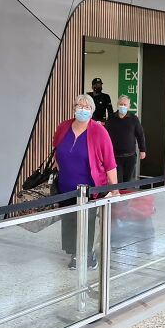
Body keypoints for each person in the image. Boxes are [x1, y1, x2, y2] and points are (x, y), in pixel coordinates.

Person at [52, 94, 118, 270]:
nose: (82, 109)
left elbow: (110, 162)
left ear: (92, 111)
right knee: (69, 221)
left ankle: (87, 254)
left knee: (86, 222)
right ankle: (74, 253)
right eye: (79, 106)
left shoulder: (99, 131)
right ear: (74, 108)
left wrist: (115, 189)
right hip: (66, 186)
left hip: (88, 189)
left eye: (87, 107)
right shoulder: (64, 126)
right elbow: (56, 149)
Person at [106, 95, 146, 182]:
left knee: (127, 181)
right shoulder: (111, 118)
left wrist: (142, 150)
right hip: (115, 157)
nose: (123, 106)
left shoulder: (134, 119)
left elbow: (140, 134)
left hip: (130, 156)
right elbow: (105, 135)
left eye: (125, 104)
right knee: (118, 182)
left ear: (129, 106)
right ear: (117, 104)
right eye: (121, 104)